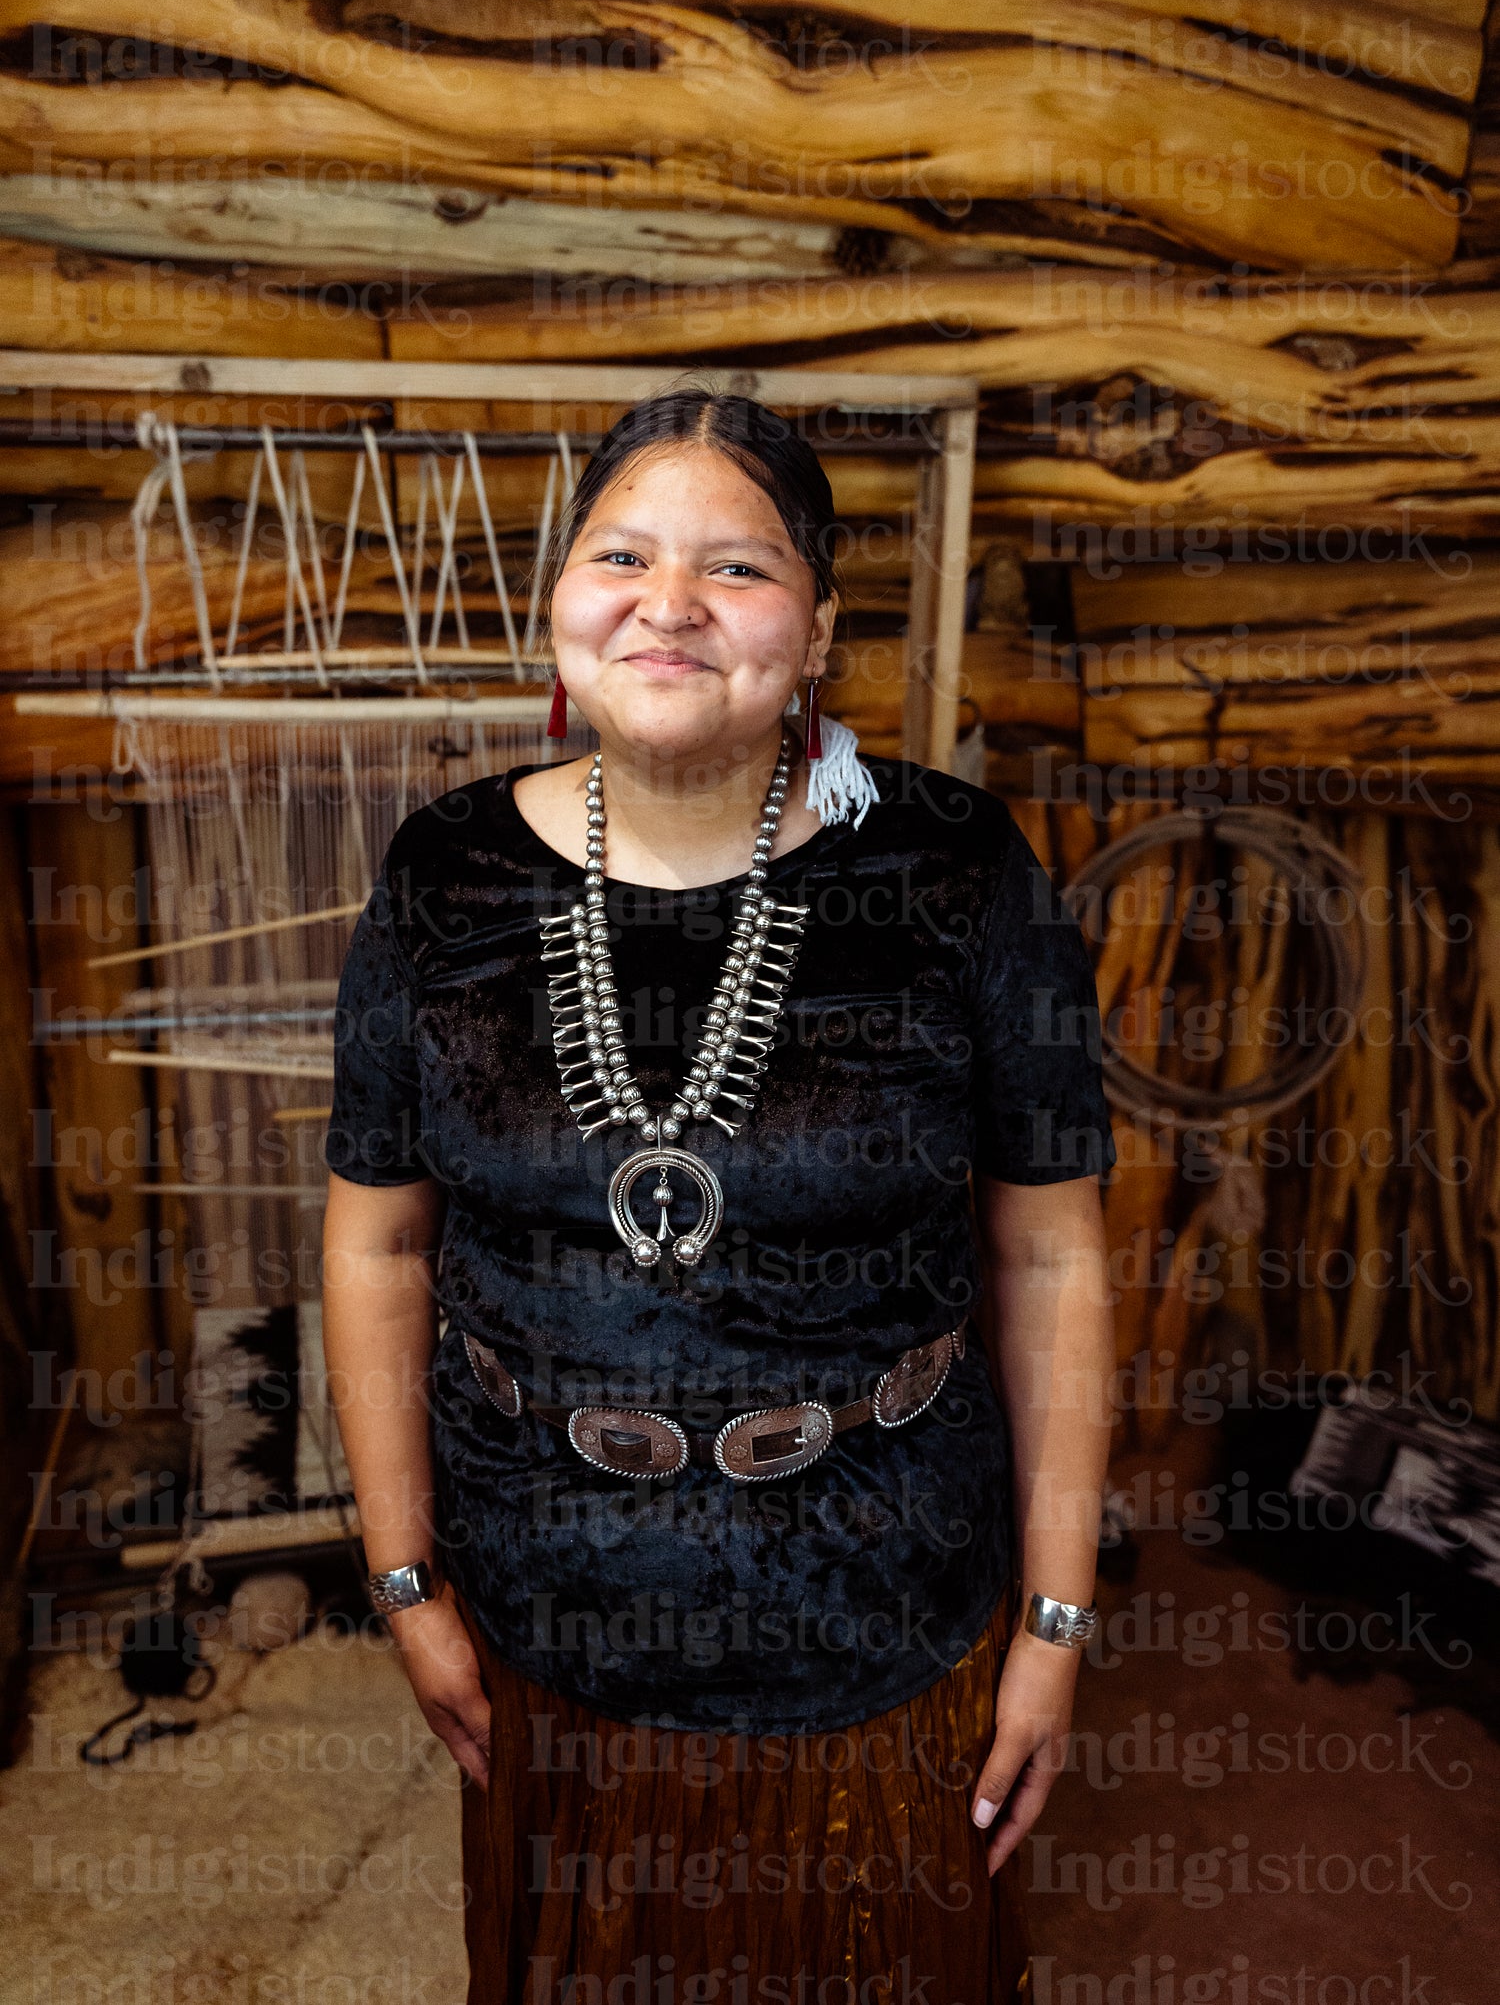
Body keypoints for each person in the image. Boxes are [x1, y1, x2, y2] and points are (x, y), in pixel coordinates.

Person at [322, 391, 1117, 2003]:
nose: (668, 602)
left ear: (816, 631)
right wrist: (402, 1574)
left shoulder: (954, 870)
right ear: (564, 600)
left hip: (886, 1611)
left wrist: (1055, 1620)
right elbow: (379, 1234)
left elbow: (1049, 1254)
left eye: (737, 567)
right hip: (549, 1603)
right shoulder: (444, 875)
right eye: (621, 552)